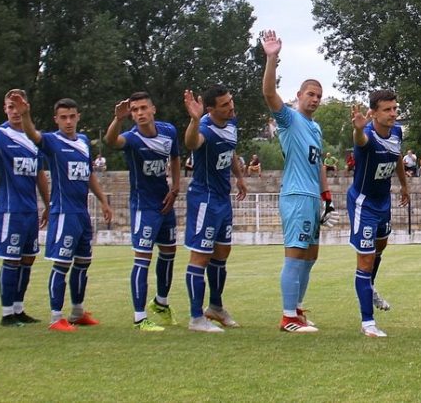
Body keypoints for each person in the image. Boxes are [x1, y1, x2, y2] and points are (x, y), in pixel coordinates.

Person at [16, 95, 113, 332]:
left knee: (83, 263)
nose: (68, 121)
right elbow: (33, 135)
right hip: (64, 213)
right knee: (61, 264)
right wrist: (26, 114)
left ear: (78, 117)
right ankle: (55, 317)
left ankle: (77, 312)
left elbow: (89, 174)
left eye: (71, 116)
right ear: (56, 119)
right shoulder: (52, 141)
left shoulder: (83, 141)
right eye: (63, 117)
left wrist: (103, 200)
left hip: (82, 213)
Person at [262, 29, 337, 333]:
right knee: (295, 254)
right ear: (299, 95)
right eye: (310, 94)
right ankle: (287, 317)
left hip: (312, 198)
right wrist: (272, 59)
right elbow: (269, 94)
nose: (315, 99)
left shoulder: (315, 128)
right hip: (295, 195)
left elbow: (318, 164)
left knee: (310, 255)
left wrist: (327, 199)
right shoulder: (290, 119)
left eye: (319, 96)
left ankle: (297, 309)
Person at [0, 89, 50, 327]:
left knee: (28, 259)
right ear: (5, 109)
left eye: (19, 105)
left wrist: (48, 204)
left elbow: (40, 174)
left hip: (30, 209)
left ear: (27, 106)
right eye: (10, 106)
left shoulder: (34, 138)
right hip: (10, 209)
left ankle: (18, 308)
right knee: (11, 259)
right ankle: (6, 314)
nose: (15, 111)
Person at [104, 91, 180, 332]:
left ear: (153, 109)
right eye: (135, 110)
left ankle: (161, 303)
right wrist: (117, 119)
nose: (139, 113)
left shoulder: (168, 131)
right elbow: (111, 141)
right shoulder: (132, 138)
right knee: (142, 259)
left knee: (169, 253)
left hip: (165, 203)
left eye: (143, 108)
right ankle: (139, 318)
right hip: (143, 207)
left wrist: (175, 188)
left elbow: (175, 158)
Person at [182, 85, 248, 333]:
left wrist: (239, 177)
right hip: (204, 199)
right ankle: (196, 317)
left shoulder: (232, 122)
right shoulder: (204, 128)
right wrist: (194, 119)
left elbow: (230, 150)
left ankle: (216, 307)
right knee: (201, 256)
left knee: (222, 254)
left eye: (231, 101)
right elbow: (191, 142)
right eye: (225, 104)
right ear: (210, 109)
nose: (231, 106)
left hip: (223, 198)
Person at [349, 90, 409, 337]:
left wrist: (404, 185)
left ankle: (368, 285)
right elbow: (360, 140)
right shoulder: (367, 135)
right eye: (387, 109)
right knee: (365, 259)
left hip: (384, 202)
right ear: (373, 113)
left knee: (379, 249)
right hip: (364, 204)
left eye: (395, 108)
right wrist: (357, 130)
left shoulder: (397, 132)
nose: (393, 113)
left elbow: (397, 158)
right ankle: (368, 323)